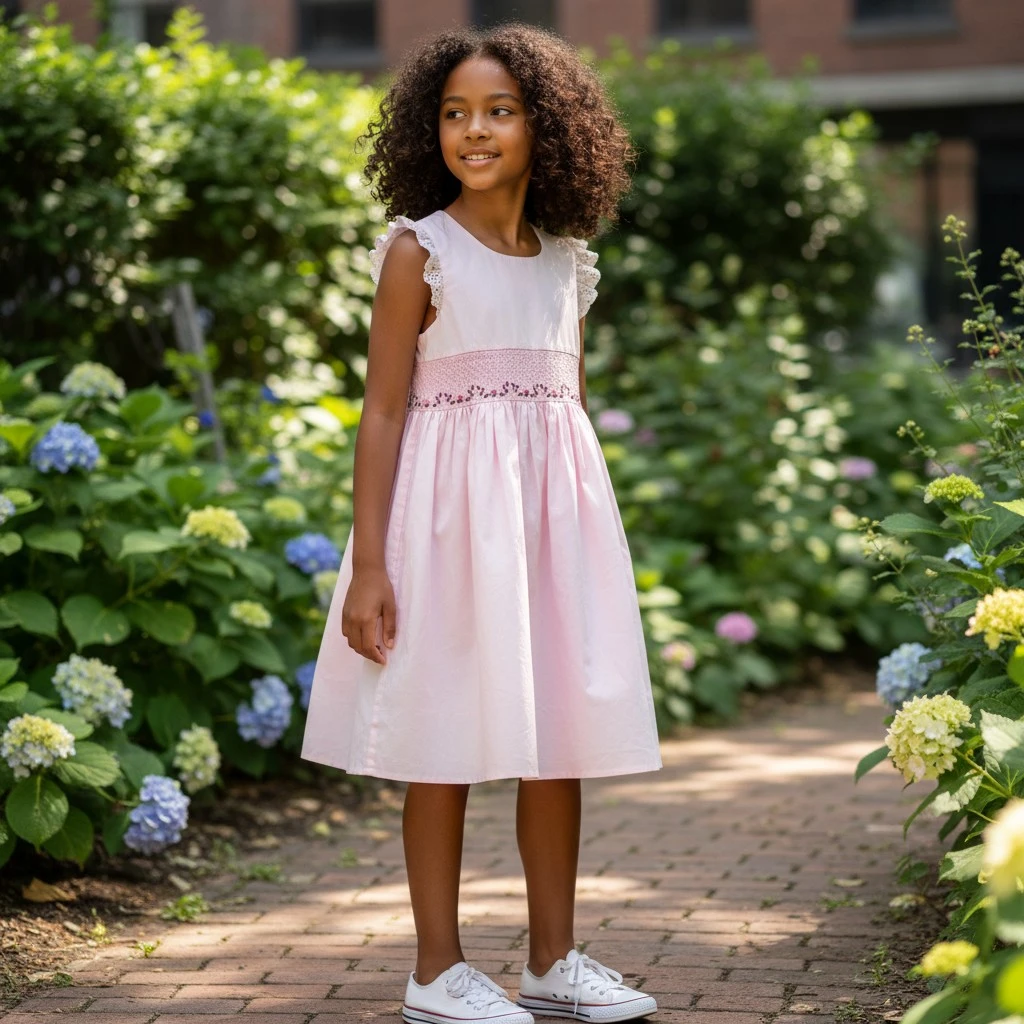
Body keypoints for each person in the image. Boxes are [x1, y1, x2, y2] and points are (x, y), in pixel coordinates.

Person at [301, 21, 662, 1024]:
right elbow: (381, 411)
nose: (475, 129)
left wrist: (580, 543)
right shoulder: (421, 253)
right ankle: (436, 970)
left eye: (498, 110)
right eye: (455, 112)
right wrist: (371, 563)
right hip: (445, 532)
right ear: (430, 130)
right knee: (442, 735)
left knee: (556, 739)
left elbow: (561, 409)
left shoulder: (564, 265)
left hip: (550, 531)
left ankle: (552, 959)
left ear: (546, 126)